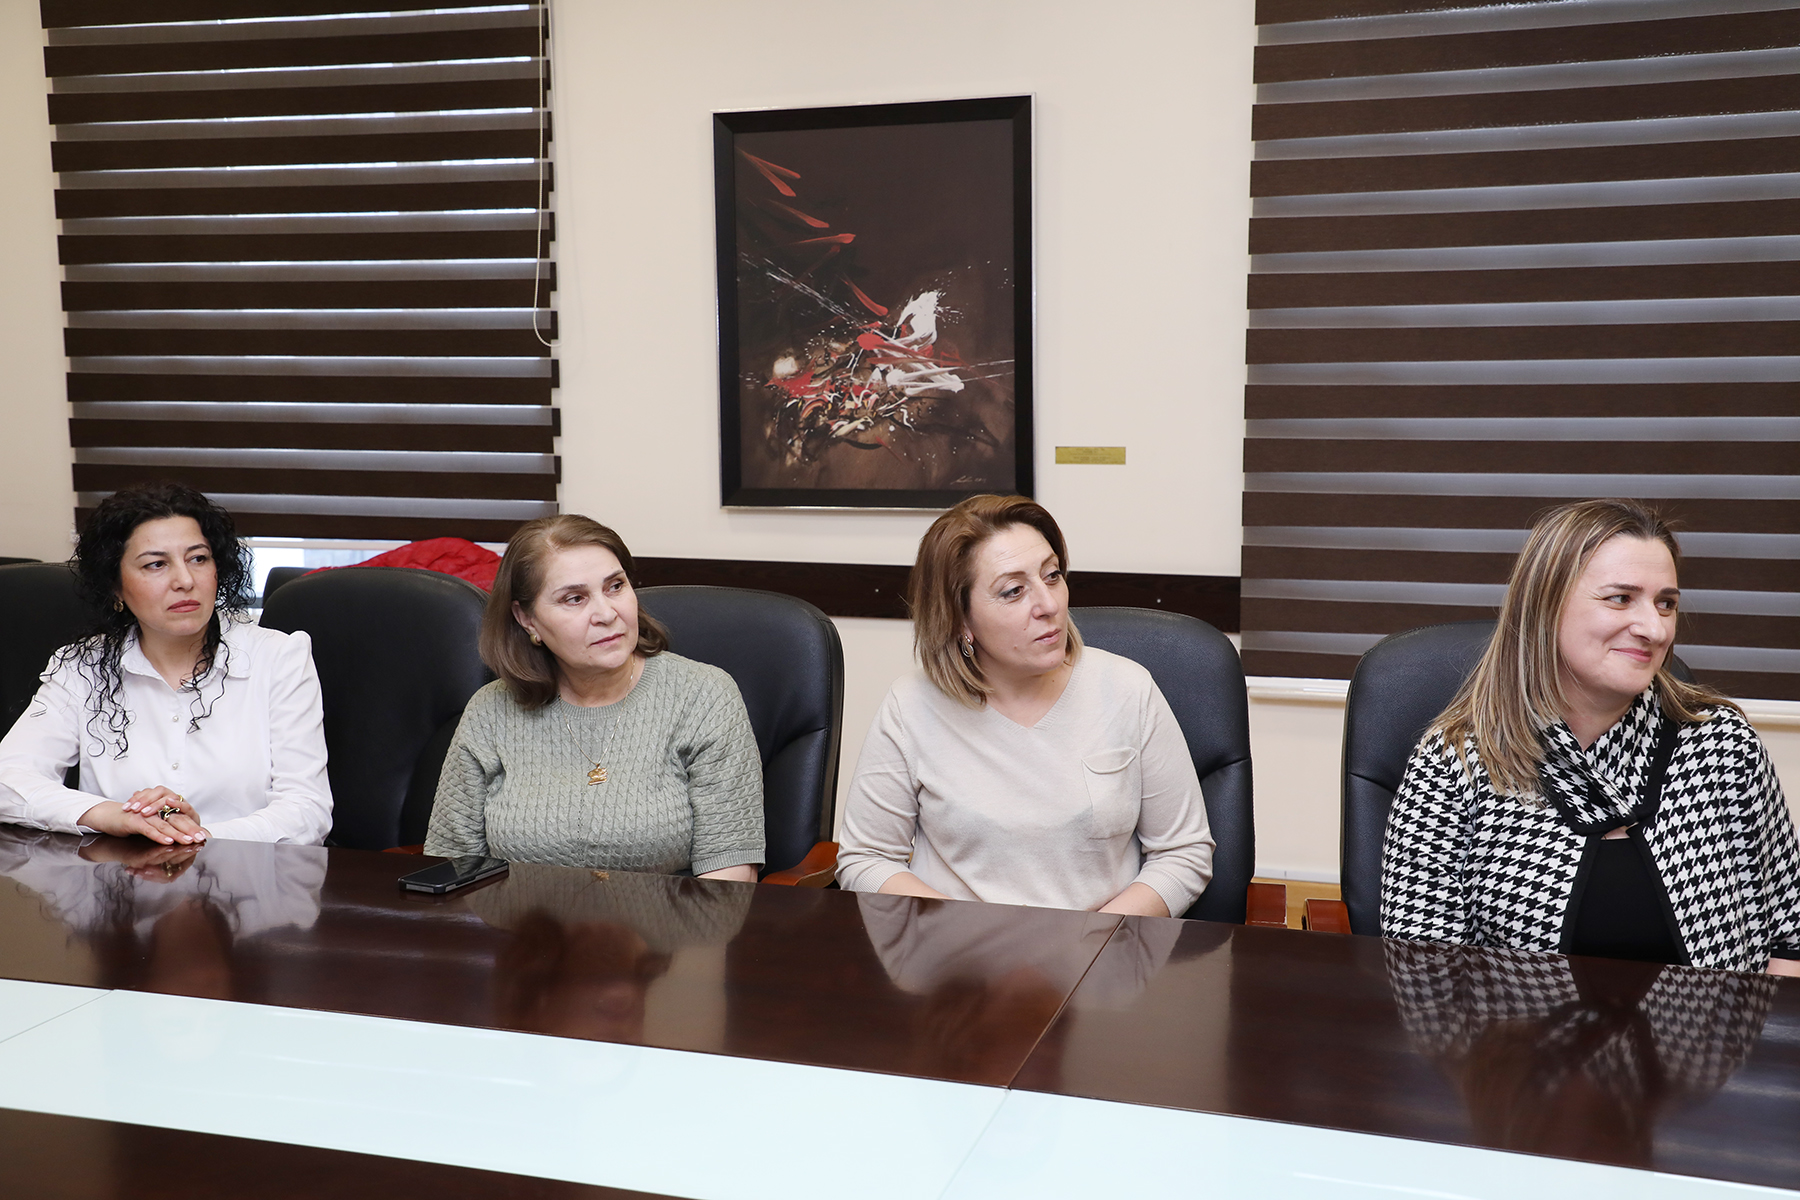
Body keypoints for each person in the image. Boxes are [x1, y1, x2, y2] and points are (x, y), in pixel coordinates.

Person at [1382, 498, 1800, 975]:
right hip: (1515, 1027)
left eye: (1666, 603)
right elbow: (1424, 975)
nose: (1654, 629)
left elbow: (1790, 940)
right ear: (1545, 606)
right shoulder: (1456, 761)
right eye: (1620, 598)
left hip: (1715, 1025)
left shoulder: (1722, 744)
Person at [835, 494, 1215, 917]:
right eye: (1013, 591)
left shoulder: (1128, 689)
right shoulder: (911, 707)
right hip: (955, 949)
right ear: (960, 619)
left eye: (1052, 576)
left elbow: (1184, 854)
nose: (1049, 606)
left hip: (1101, 946)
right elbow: (865, 860)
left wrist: (1092, 940)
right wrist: (964, 932)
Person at [424, 515, 763, 880]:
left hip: (670, 919)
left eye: (615, 586)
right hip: (516, 919)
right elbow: (451, 870)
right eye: (574, 598)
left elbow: (729, 881)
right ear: (527, 619)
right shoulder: (490, 710)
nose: (606, 613)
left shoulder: (704, 696)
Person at [0, 484, 332, 844]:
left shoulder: (279, 657)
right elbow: (8, 780)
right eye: (156, 564)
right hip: (118, 875)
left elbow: (307, 810)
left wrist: (197, 837)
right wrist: (115, 815)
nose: (185, 581)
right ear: (115, 587)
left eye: (198, 559)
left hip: (246, 874)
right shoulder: (83, 665)